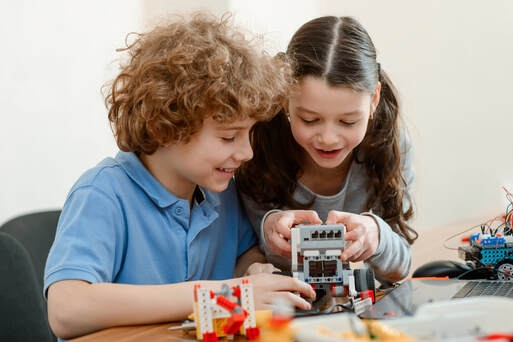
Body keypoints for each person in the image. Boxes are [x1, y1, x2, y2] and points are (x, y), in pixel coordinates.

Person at [43, 12, 315, 340]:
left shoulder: (219, 191)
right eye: (229, 137)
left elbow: (244, 253)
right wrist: (225, 295)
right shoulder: (102, 193)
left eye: (249, 134)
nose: (247, 152)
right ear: (165, 128)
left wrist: (253, 272)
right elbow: (67, 309)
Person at [236, 16, 418, 286]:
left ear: (374, 100)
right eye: (309, 120)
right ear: (286, 101)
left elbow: (399, 268)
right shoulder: (258, 142)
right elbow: (244, 257)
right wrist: (269, 226)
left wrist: (376, 236)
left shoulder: (388, 145)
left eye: (348, 121)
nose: (328, 139)